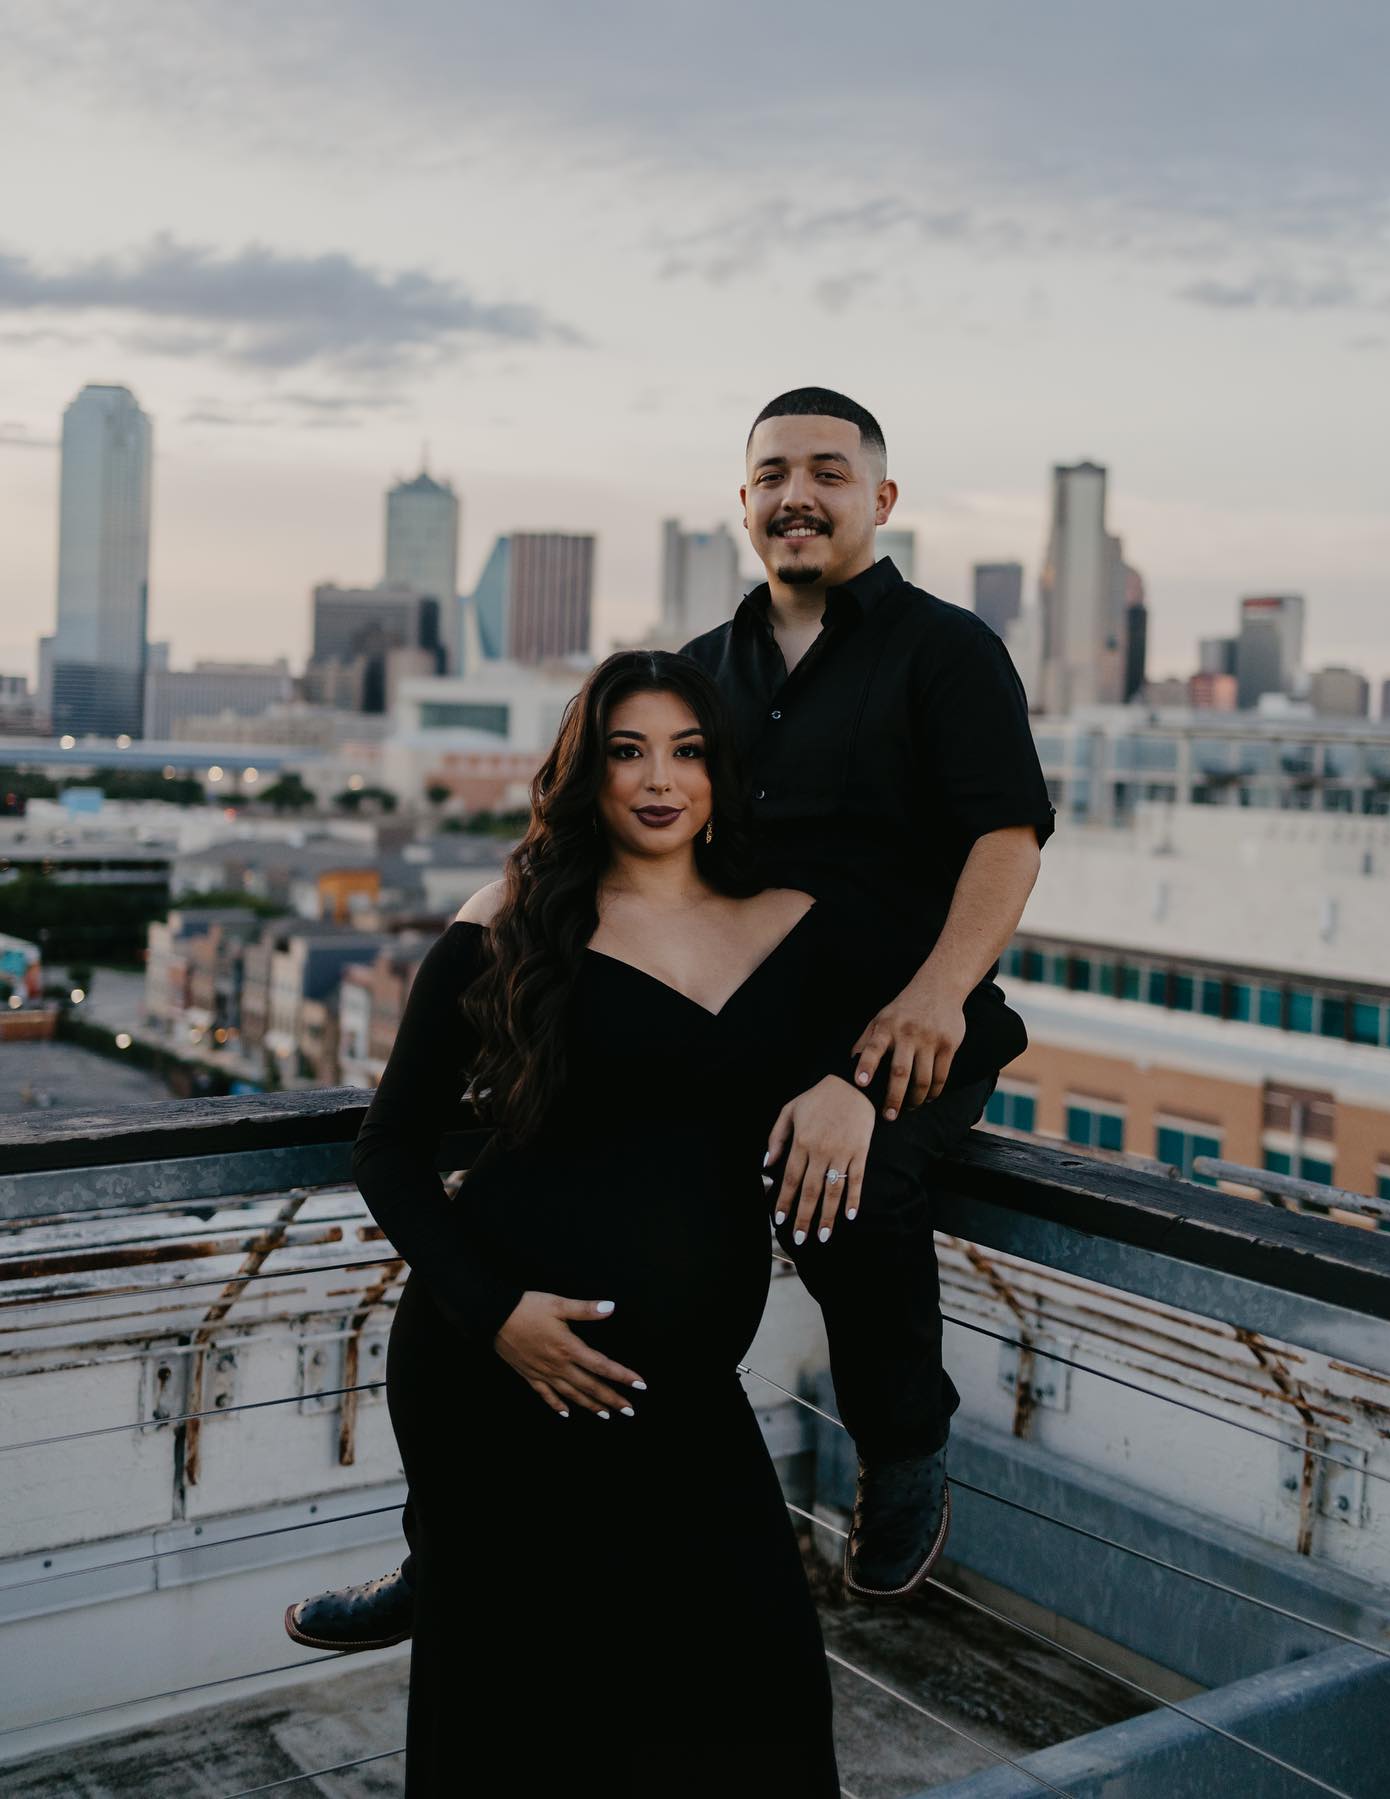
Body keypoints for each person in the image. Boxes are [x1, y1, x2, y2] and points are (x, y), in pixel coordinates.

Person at [285, 385, 1052, 1651]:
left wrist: (918, 1010)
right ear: (745, 500)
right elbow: (637, 811)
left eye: (828, 471)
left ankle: (904, 1444)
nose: (796, 494)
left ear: (881, 499)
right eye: (771, 474)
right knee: (548, 1175)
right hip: (744, 1011)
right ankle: (451, 1550)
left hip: (902, 1022)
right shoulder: (710, 666)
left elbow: (1007, 840)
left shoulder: (947, 648)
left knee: (849, 1187)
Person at [327, 650, 900, 1794]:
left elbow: (952, 1024)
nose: (659, 779)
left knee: (761, 1703)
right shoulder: (514, 918)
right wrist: (496, 1315)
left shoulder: (797, 921)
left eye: (687, 751)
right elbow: (388, 1149)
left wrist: (853, 1084)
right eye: (627, 750)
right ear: (585, 772)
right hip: (498, 1381)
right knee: (522, 1723)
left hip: (685, 1395)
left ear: (722, 771)